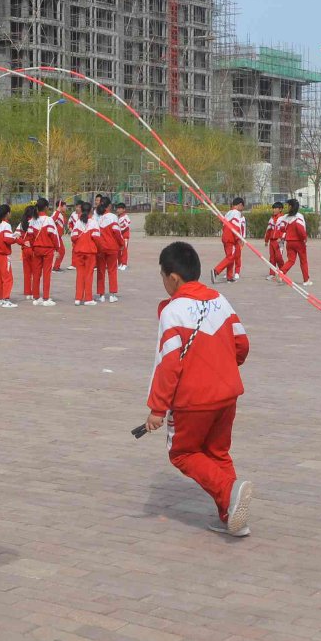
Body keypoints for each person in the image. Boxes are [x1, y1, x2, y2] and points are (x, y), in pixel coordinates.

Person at [143, 240, 254, 537]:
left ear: (173, 278)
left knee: (182, 453)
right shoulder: (220, 299)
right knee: (218, 452)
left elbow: (168, 364)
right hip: (227, 393)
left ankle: (230, 492)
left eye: (162, 276)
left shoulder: (173, 311)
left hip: (193, 400)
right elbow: (241, 344)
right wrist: (224, 367)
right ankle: (232, 517)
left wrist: (157, 408)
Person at [71, 200, 99, 306]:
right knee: (89, 274)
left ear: (81, 210)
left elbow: (73, 237)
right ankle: (88, 298)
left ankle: (78, 298)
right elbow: (96, 237)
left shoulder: (78, 222)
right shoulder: (93, 222)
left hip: (79, 251)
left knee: (80, 275)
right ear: (91, 210)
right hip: (90, 252)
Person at [0, 203, 18, 307]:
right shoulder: (6, 225)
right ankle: (6, 299)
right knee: (7, 277)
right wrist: (16, 238)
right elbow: (8, 239)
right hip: (3, 255)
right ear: (7, 214)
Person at [213, 198, 246, 283]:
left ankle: (229, 277)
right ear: (240, 205)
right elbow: (236, 226)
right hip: (231, 238)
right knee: (231, 257)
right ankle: (216, 271)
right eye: (242, 207)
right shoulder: (236, 213)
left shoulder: (229, 213)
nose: (242, 209)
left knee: (230, 256)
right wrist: (238, 238)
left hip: (226, 237)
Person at [94, 199, 121, 302]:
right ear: (109, 206)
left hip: (100, 248)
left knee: (100, 271)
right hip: (111, 247)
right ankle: (112, 294)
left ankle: (101, 295)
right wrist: (121, 244)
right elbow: (117, 233)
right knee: (112, 270)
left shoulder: (97, 217)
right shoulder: (113, 217)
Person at [282, 199, 311, 285]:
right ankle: (306, 280)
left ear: (291, 207)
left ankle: (281, 272)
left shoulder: (286, 217)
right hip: (299, 242)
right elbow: (300, 229)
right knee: (303, 261)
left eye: (288, 206)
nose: (287, 207)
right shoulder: (299, 216)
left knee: (291, 260)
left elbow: (282, 229)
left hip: (289, 242)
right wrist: (305, 238)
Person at [264, 201, 287, 280]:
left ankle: (283, 272)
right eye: (273, 208)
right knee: (272, 258)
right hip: (272, 241)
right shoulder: (271, 219)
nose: (274, 210)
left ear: (280, 209)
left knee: (278, 257)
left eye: (275, 208)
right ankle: (272, 273)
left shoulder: (283, 218)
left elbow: (285, 230)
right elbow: (268, 230)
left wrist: (281, 238)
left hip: (279, 242)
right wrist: (266, 240)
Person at [116, 202, 131, 270]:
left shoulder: (125, 217)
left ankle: (124, 264)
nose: (117, 210)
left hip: (125, 237)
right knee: (119, 250)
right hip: (119, 237)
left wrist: (118, 229)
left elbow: (125, 226)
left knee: (124, 250)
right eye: (117, 209)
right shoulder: (117, 217)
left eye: (119, 209)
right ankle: (120, 263)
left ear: (124, 209)